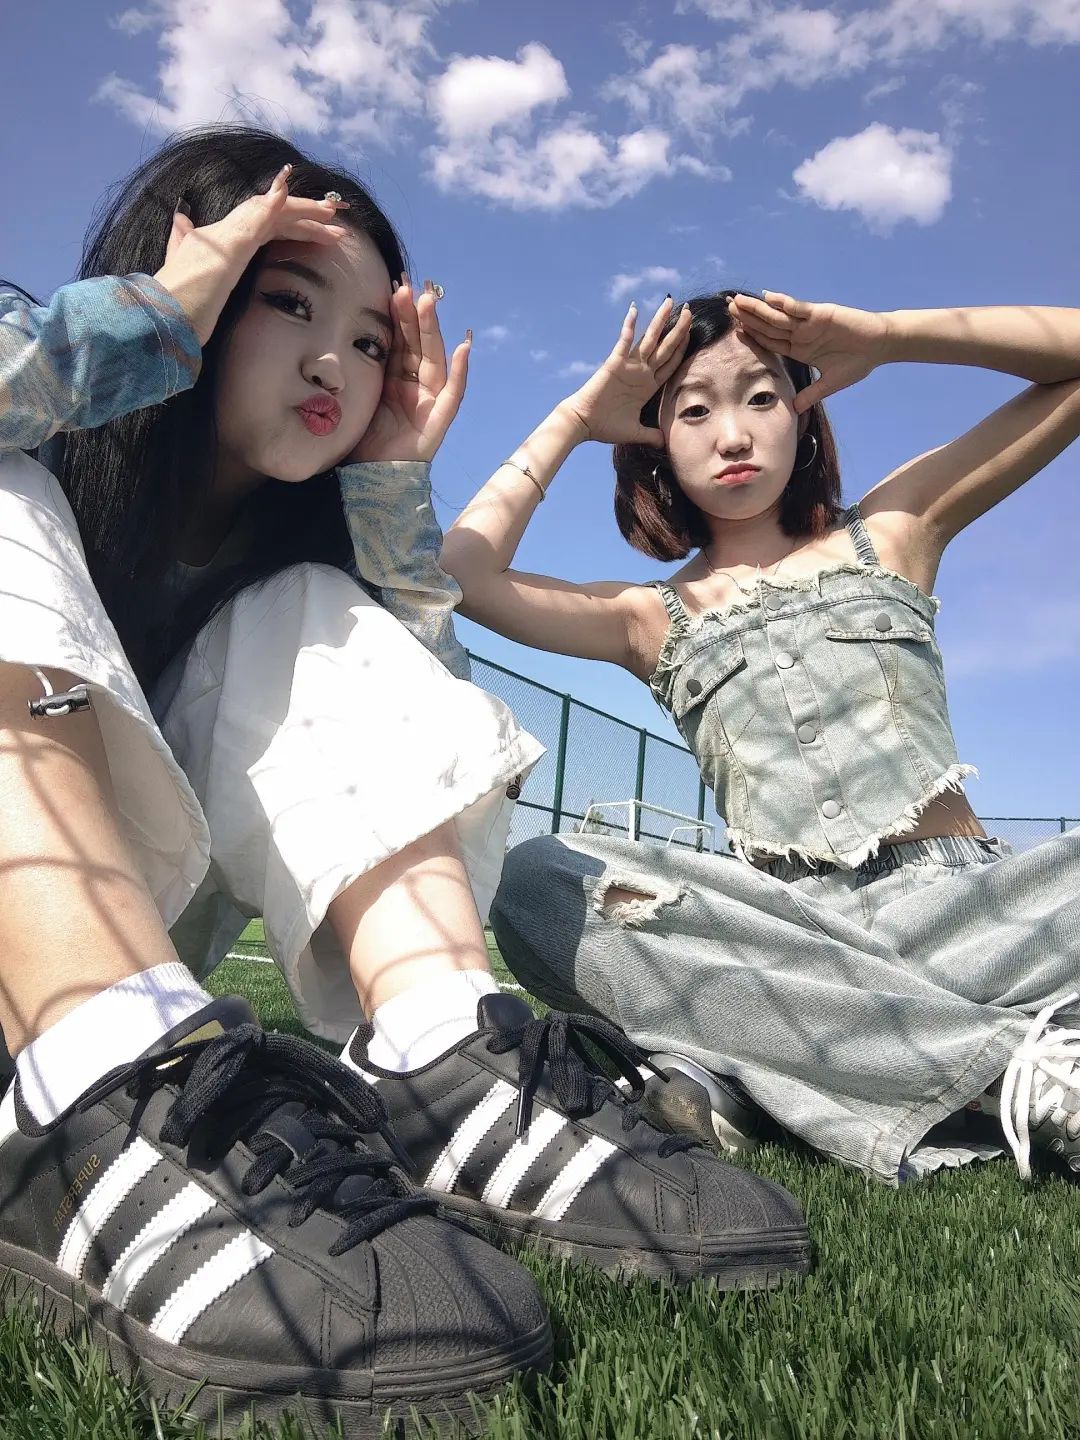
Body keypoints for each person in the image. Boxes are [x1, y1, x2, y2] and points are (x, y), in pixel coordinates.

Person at [0, 130, 809, 1429]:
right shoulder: (50, 404)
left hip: (129, 977)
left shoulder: (273, 578)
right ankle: (79, 1105)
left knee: (309, 603)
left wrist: (389, 491)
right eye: (288, 302)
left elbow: (408, 723)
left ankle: (437, 1067)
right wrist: (156, 316)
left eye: (372, 339)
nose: (337, 360)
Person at [441, 286, 1080, 1186]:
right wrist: (579, 417)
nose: (733, 434)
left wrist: (887, 335)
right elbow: (461, 574)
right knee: (539, 881)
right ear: (656, 441)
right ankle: (1025, 1072)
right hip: (790, 933)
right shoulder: (647, 617)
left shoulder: (893, 531)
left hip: (969, 916)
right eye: (693, 410)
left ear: (804, 415)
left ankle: (765, 1072)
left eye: (762, 396)